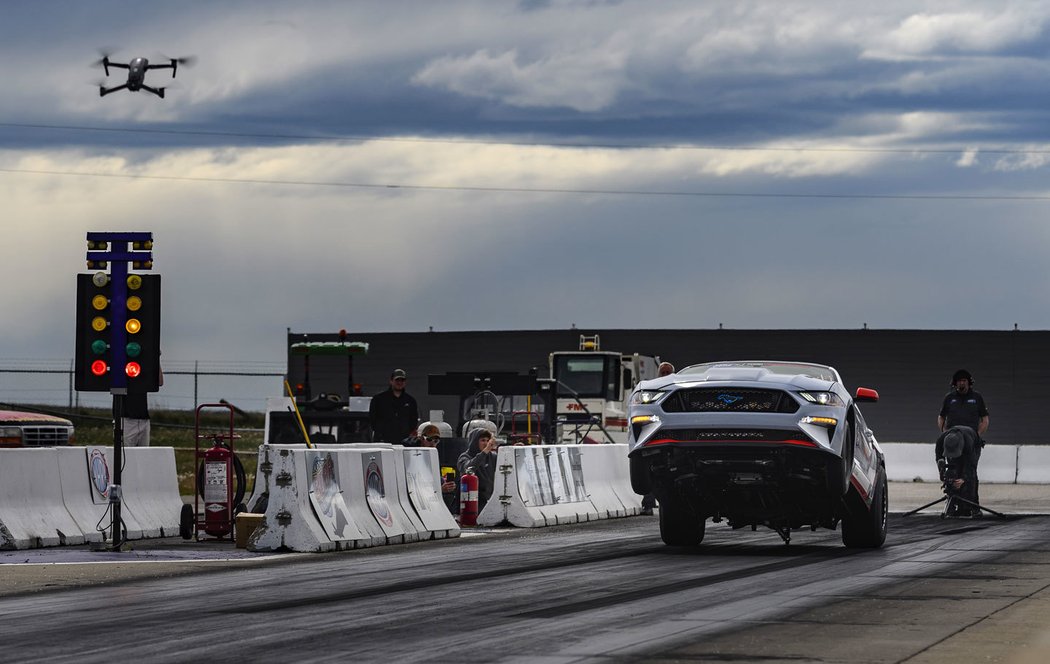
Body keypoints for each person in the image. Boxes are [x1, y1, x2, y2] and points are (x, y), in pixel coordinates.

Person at [937, 369, 990, 506]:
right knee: (953, 471)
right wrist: (946, 434)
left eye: (964, 381)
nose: (962, 383)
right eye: (959, 381)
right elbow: (941, 417)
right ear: (955, 383)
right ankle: (954, 505)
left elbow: (985, 419)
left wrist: (977, 435)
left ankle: (973, 505)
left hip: (972, 442)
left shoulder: (977, 397)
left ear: (969, 383)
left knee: (970, 472)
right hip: (953, 440)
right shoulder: (949, 398)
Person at [641, 361, 675, 514]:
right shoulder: (651, 389)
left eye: (668, 373)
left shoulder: (677, 389)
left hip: (672, 439)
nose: (666, 375)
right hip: (656, 438)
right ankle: (648, 503)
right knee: (650, 469)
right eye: (663, 373)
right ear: (658, 374)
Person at [934, 425, 980, 516]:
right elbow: (939, 458)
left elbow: (970, 465)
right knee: (953, 470)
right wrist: (942, 472)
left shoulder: (968, 443)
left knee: (970, 475)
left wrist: (964, 478)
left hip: (974, 444)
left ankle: (971, 506)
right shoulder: (941, 440)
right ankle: (952, 502)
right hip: (960, 444)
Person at [412, 423, 459, 508]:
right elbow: (415, 488)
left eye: (436, 441)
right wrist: (440, 489)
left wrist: (444, 484)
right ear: (422, 439)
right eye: (429, 440)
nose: (433, 444)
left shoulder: (432, 457)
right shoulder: (414, 457)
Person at [369, 368, 419, 444]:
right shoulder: (378, 399)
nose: (399, 382)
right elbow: (372, 418)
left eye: (402, 380)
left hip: (403, 440)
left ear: (405, 382)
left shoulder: (410, 401)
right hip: (383, 440)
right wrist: (380, 432)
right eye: (397, 380)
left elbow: (414, 420)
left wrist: (407, 433)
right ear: (391, 381)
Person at [119, 364, 163, 447]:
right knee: (125, 454)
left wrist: (156, 359)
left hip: (143, 418)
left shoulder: (143, 372)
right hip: (127, 419)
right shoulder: (123, 370)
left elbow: (160, 382)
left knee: (143, 454)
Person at [457, 428, 499, 513]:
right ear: (474, 442)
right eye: (483, 440)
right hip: (471, 502)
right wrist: (484, 452)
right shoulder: (465, 457)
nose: (486, 443)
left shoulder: (493, 457)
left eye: (488, 440)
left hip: (489, 501)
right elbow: (468, 469)